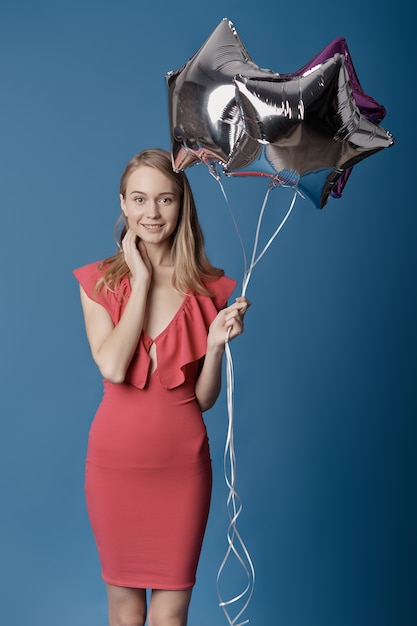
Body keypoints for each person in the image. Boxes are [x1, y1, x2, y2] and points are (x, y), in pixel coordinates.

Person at [73, 148, 250, 626]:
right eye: (140, 199)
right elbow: (112, 366)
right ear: (124, 204)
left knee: (171, 615)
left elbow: (205, 399)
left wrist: (214, 346)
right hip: (115, 467)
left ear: (182, 204)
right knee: (125, 612)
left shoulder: (210, 288)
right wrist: (144, 279)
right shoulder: (97, 282)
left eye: (166, 200)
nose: (152, 213)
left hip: (182, 468)